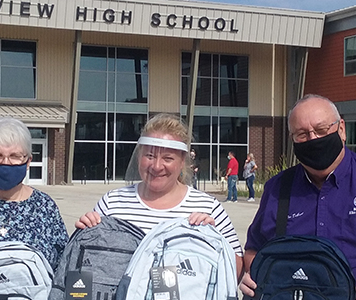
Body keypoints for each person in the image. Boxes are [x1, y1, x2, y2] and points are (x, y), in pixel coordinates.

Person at [75, 113, 244, 280]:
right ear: (139, 155)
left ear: (182, 161)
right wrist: (84, 232)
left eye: (168, 158)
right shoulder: (112, 203)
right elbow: (85, 263)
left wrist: (214, 240)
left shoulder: (208, 207)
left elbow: (236, 273)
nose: (156, 166)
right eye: (150, 156)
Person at [240, 94, 356, 297]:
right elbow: (254, 250)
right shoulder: (278, 188)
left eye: (321, 130)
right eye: (302, 134)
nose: (313, 139)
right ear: (292, 139)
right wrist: (252, 275)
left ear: (341, 129)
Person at [0, 117, 69, 271]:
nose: (6, 162)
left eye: (16, 156)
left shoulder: (45, 206)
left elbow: (64, 266)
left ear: (28, 161)